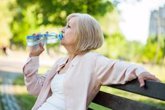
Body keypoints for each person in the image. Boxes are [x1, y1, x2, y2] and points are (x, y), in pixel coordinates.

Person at [23, 13, 160, 110]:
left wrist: (139, 71)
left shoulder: (92, 61)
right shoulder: (61, 62)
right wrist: (33, 56)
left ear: (83, 34)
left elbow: (118, 66)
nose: (62, 29)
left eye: (69, 27)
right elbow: (35, 88)